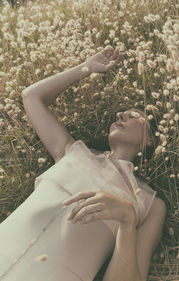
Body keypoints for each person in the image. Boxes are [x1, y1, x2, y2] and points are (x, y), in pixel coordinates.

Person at [0, 46, 167, 281]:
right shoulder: (71, 151)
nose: (120, 115)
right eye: (122, 113)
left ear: (150, 139)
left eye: (134, 116)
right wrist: (87, 67)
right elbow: (31, 96)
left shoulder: (150, 204)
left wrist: (127, 219)